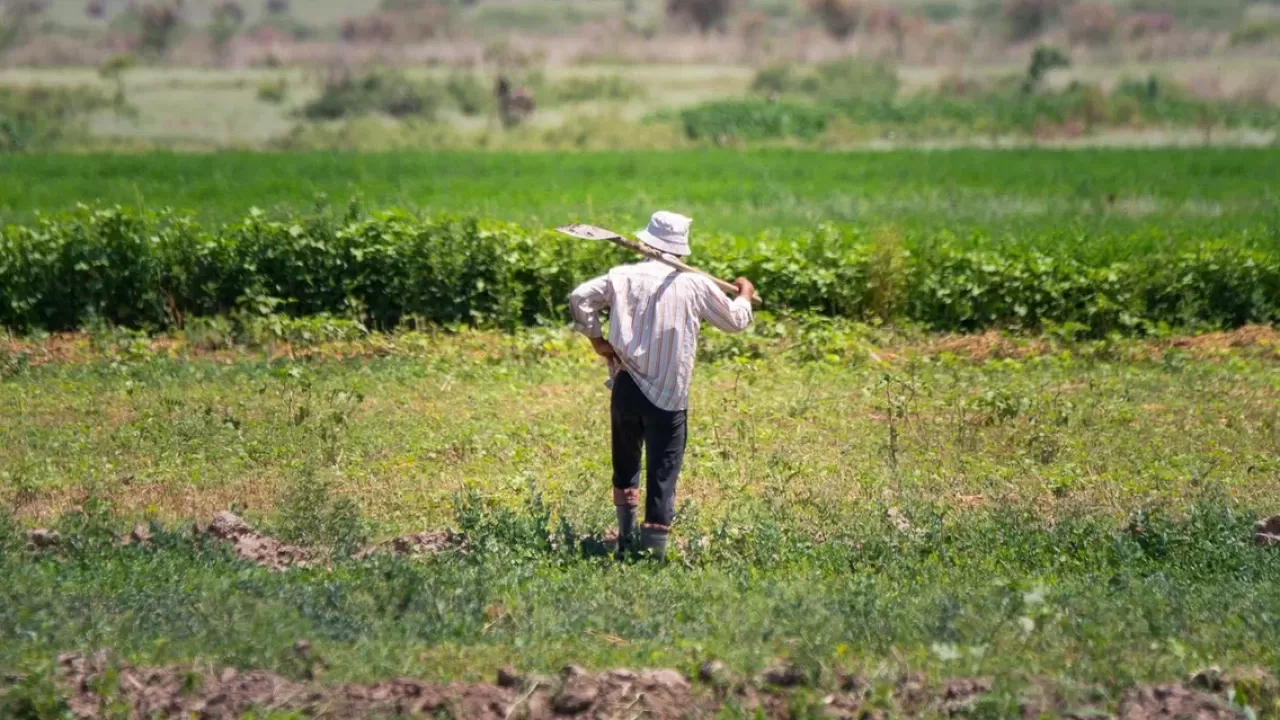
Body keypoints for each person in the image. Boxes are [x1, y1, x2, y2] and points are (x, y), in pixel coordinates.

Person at [568, 211, 756, 560]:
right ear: (681, 250)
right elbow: (735, 321)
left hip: (626, 387)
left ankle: (625, 541)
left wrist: (596, 340)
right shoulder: (696, 285)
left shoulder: (621, 276)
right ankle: (653, 558)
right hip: (668, 399)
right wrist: (744, 292)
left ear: (647, 243)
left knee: (625, 464)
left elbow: (580, 296)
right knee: (662, 473)